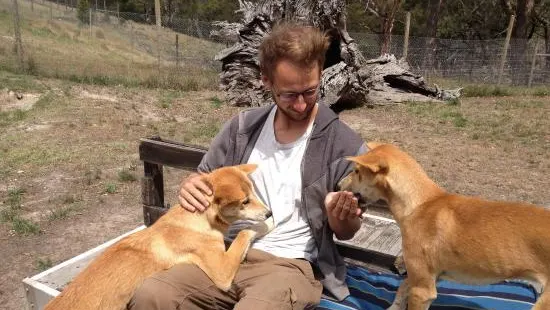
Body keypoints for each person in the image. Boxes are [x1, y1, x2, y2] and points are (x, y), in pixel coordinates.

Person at [128, 22, 368, 310]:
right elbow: (204, 179)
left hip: (287, 265)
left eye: (310, 91)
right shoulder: (241, 129)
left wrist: (340, 216)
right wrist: (191, 185)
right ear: (266, 81)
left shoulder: (344, 144)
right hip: (220, 252)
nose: (302, 105)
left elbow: (346, 231)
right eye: (289, 95)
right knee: (150, 295)